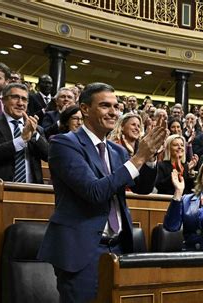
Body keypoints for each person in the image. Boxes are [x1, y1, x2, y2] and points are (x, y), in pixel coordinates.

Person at [38, 82, 167, 302]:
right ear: (85, 109)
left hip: (118, 248)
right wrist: (139, 157)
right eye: (105, 106)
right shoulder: (63, 144)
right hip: (82, 251)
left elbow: (143, 188)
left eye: (116, 107)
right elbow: (94, 191)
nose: (113, 112)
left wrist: (151, 156)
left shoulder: (116, 150)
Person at [0, 83, 49, 217]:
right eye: (15, 97)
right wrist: (21, 140)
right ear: (3, 99)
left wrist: (34, 134)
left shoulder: (36, 129)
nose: (20, 103)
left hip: (31, 194)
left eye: (24, 99)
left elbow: (49, 156)